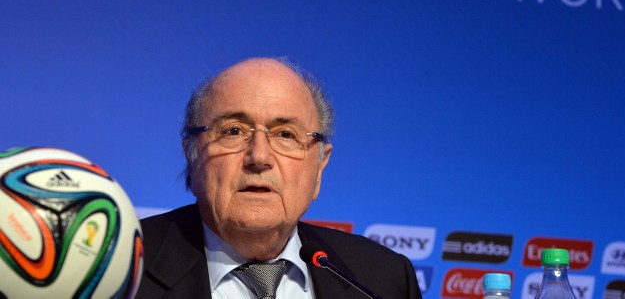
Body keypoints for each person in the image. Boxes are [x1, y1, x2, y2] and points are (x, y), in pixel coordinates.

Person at [136, 57, 422, 298]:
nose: (259, 157)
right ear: (191, 154)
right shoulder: (120, 264)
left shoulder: (383, 278)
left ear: (320, 166)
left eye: (285, 134)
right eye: (234, 131)